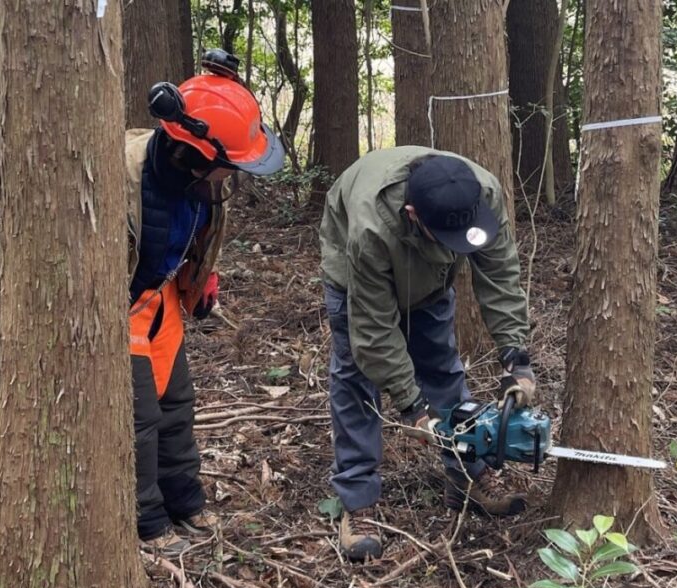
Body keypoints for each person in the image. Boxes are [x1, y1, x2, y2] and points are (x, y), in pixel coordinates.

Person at [319, 148, 538, 562]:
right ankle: (357, 498)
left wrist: (515, 356)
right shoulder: (371, 227)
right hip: (356, 274)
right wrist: (412, 407)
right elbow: (374, 330)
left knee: (441, 363)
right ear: (413, 214)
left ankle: (467, 475)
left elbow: (501, 275)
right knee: (355, 379)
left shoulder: (482, 194)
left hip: (431, 280)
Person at [126, 50, 284, 556]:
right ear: (189, 154)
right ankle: (146, 520)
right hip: (116, 305)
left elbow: (200, 234)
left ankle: (185, 502)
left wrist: (202, 275)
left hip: (162, 296)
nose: (228, 178)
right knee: (138, 416)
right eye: (225, 168)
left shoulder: (203, 189)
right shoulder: (118, 177)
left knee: (176, 406)